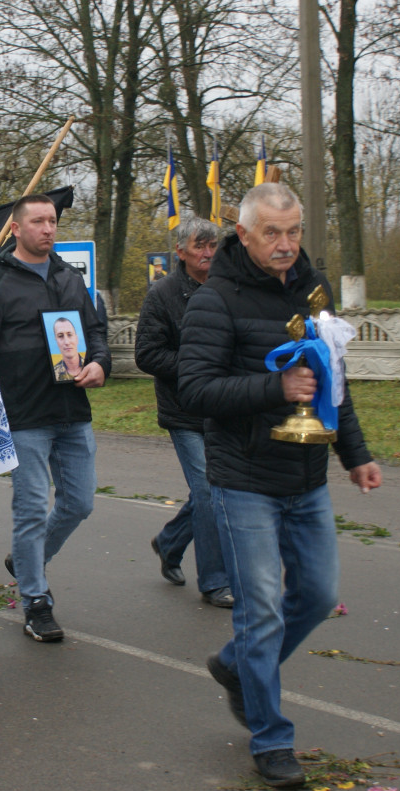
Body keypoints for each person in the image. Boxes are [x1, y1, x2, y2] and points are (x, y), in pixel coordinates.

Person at [177, 183, 381, 788]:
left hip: (308, 475)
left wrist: (356, 454)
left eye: (294, 231)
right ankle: (270, 739)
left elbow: (332, 382)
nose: (286, 244)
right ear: (244, 234)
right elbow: (196, 390)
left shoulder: (315, 292)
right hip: (244, 481)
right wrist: (274, 388)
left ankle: (237, 667)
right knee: (261, 611)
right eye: (273, 232)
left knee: (317, 596)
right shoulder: (216, 299)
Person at [0, 194, 109, 643]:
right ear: (15, 230)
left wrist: (100, 363)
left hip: (72, 410)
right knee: (29, 510)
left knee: (80, 502)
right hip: (23, 416)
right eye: (38, 221)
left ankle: (28, 558)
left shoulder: (68, 276)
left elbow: (95, 332)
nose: (48, 228)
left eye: (53, 221)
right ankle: (36, 601)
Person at [135, 216, 232, 608]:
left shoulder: (230, 287)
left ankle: (170, 542)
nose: (208, 254)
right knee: (209, 492)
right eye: (200, 247)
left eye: (214, 246)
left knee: (219, 489)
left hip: (225, 408)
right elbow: (147, 354)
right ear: (181, 252)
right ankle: (214, 582)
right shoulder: (163, 294)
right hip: (185, 410)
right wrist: (195, 366)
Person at [50, 317, 83, 381]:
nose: (66, 342)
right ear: (56, 341)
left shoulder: (89, 366)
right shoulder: (53, 373)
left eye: (70, 335)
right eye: (60, 336)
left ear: (77, 338)